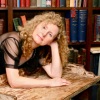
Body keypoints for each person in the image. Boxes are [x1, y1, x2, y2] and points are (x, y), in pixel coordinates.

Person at [0, 11, 70, 88]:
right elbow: (14, 82)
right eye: (44, 27)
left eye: (50, 34)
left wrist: (54, 44)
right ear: (36, 25)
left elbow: (56, 74)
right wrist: (49, 83)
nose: (44, 34)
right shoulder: (13, 40)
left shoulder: (39, 49)